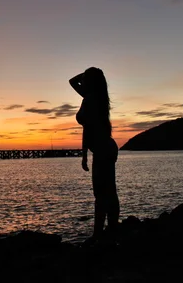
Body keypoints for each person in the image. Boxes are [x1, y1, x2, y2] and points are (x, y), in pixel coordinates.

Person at [69, 67, 119, 244]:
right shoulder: (94, 97)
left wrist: (88, 75)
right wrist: (84, 155)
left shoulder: (92, 99)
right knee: (108, 192)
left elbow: (73, 81)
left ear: (91, 81)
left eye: (87, 77)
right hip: (103, 149)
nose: (83, 80)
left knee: (103, 193)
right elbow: (87, 129)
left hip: (104, 150)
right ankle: (110, 230)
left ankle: (101, 233)